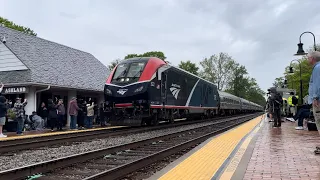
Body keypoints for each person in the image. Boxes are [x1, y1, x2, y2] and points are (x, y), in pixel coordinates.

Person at [306, 51, 320, 154]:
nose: (307, 59)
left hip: (318, 101)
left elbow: (317, 84)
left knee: (319, 122)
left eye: (308, 57)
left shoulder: (317, 68)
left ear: (312, 59)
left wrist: (315, 97)